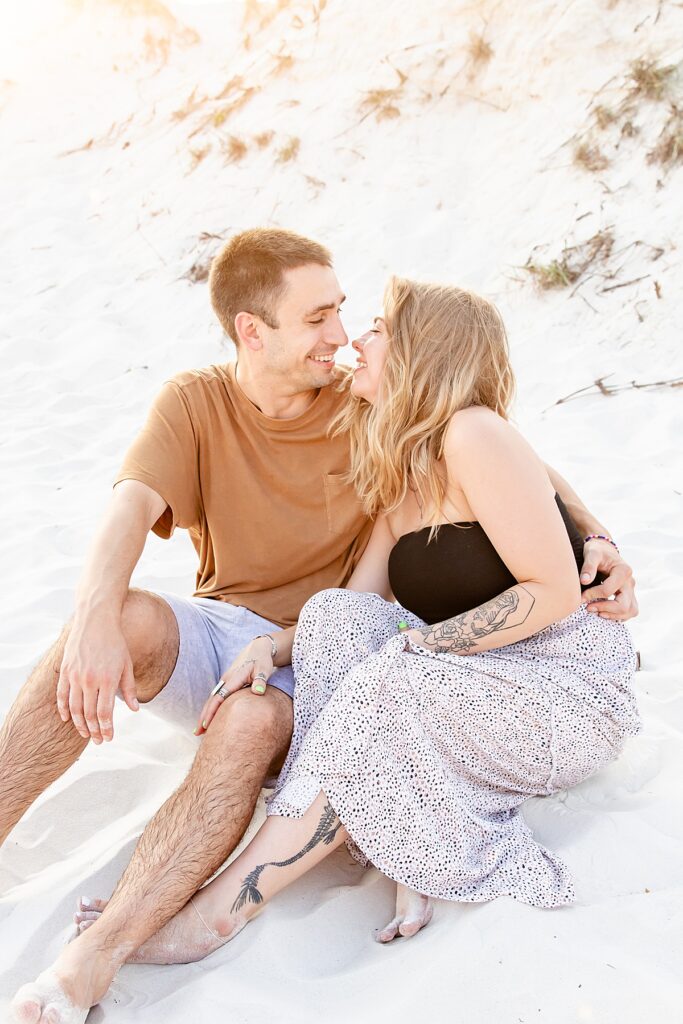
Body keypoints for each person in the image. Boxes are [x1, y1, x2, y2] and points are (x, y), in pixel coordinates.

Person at [8, 245, 637, 1022]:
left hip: (515, 681)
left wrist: (600, 539)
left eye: (359, 318)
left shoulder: (428, 422)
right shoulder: (293, 432)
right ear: (252, 331)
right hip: (326, 647)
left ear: (413, 355)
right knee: (301, 625)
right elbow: (336, 602)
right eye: (321, 317)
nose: (344, 337)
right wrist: (224, 643)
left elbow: (526, 480)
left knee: (328, 686)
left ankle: (190, 921)